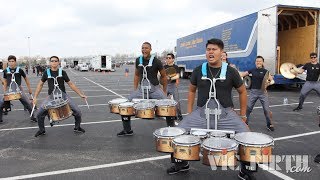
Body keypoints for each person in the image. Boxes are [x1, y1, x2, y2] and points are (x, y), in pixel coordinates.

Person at [166, 38, 257, 180]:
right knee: (178, 133)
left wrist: (243, 115)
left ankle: (246, 170)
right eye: (208, 49)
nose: (210, 52)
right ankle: (181, 164)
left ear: (221, 52)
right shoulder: (198, 70)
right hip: (201, 113)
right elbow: (191, 91)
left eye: (214, 49)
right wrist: (190, 113)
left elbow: (242, 91)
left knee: (247, 136)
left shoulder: (231, 72)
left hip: (226, 114)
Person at [117, 42, 170, 136]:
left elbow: (164, 76)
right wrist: (135, 89)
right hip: (141, 89)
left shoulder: (157, 61)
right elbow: (137, 75)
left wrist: (164, 91)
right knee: (126, 105)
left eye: (146, 48)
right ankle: (127, 130)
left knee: (169, 106)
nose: (144, 50)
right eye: (142, 48)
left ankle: (171, 130)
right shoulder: (138, 60)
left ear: (150, 49)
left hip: (154, 89)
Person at [33, 56, 87, 137]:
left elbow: (70, 84)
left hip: (63, 96)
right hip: (51, 97)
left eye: (55, 61)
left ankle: (77, 127)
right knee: (39, 113)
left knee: (78, 112)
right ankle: (41, 130)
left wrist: (80, 94)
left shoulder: (63, 72)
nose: (54, 62)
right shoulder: (46, 73)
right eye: (52, 61)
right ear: (50, 62)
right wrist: (35, 97)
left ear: (58, 62)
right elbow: (40, 84)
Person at [240, 56, 275, 131]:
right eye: (257, 61)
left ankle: (269, 124)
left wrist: (268, 83)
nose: (258, 62)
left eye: (260, 61)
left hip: (263, 93)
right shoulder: (252, 70)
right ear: (255, 62)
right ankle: (245, 123)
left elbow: (272, 81)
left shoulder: (266, 71)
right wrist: (235, 72)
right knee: (248, 108)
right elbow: (243, 74)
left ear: (262, 62)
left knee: (266, 109)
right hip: (253, 92)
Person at [2, 55, 36, 122]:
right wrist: (4, 92)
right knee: (1, 104)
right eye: (10, 61)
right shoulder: (5, 71)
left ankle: (33, 116)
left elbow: (26, 79)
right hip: (9, 90)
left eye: (13, 61)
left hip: (19, 90)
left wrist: (29, 89)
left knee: (28, 103)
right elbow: (5, 82)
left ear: (15, 62)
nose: (11, 63)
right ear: (8, 62)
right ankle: (0, 118)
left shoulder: (19, 70)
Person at [164, 53, 183, 120]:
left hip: (173, 85)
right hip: (166, 86)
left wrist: (170, 78)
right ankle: (170, 115)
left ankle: (179, 115)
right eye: (167, 58)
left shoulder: (176, 67)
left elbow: (178, 76)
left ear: (173, 59)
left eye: (169, 58)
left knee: (176, 101)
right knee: (165, 102)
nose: (168, 59)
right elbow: (160, 75)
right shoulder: (164, 67)